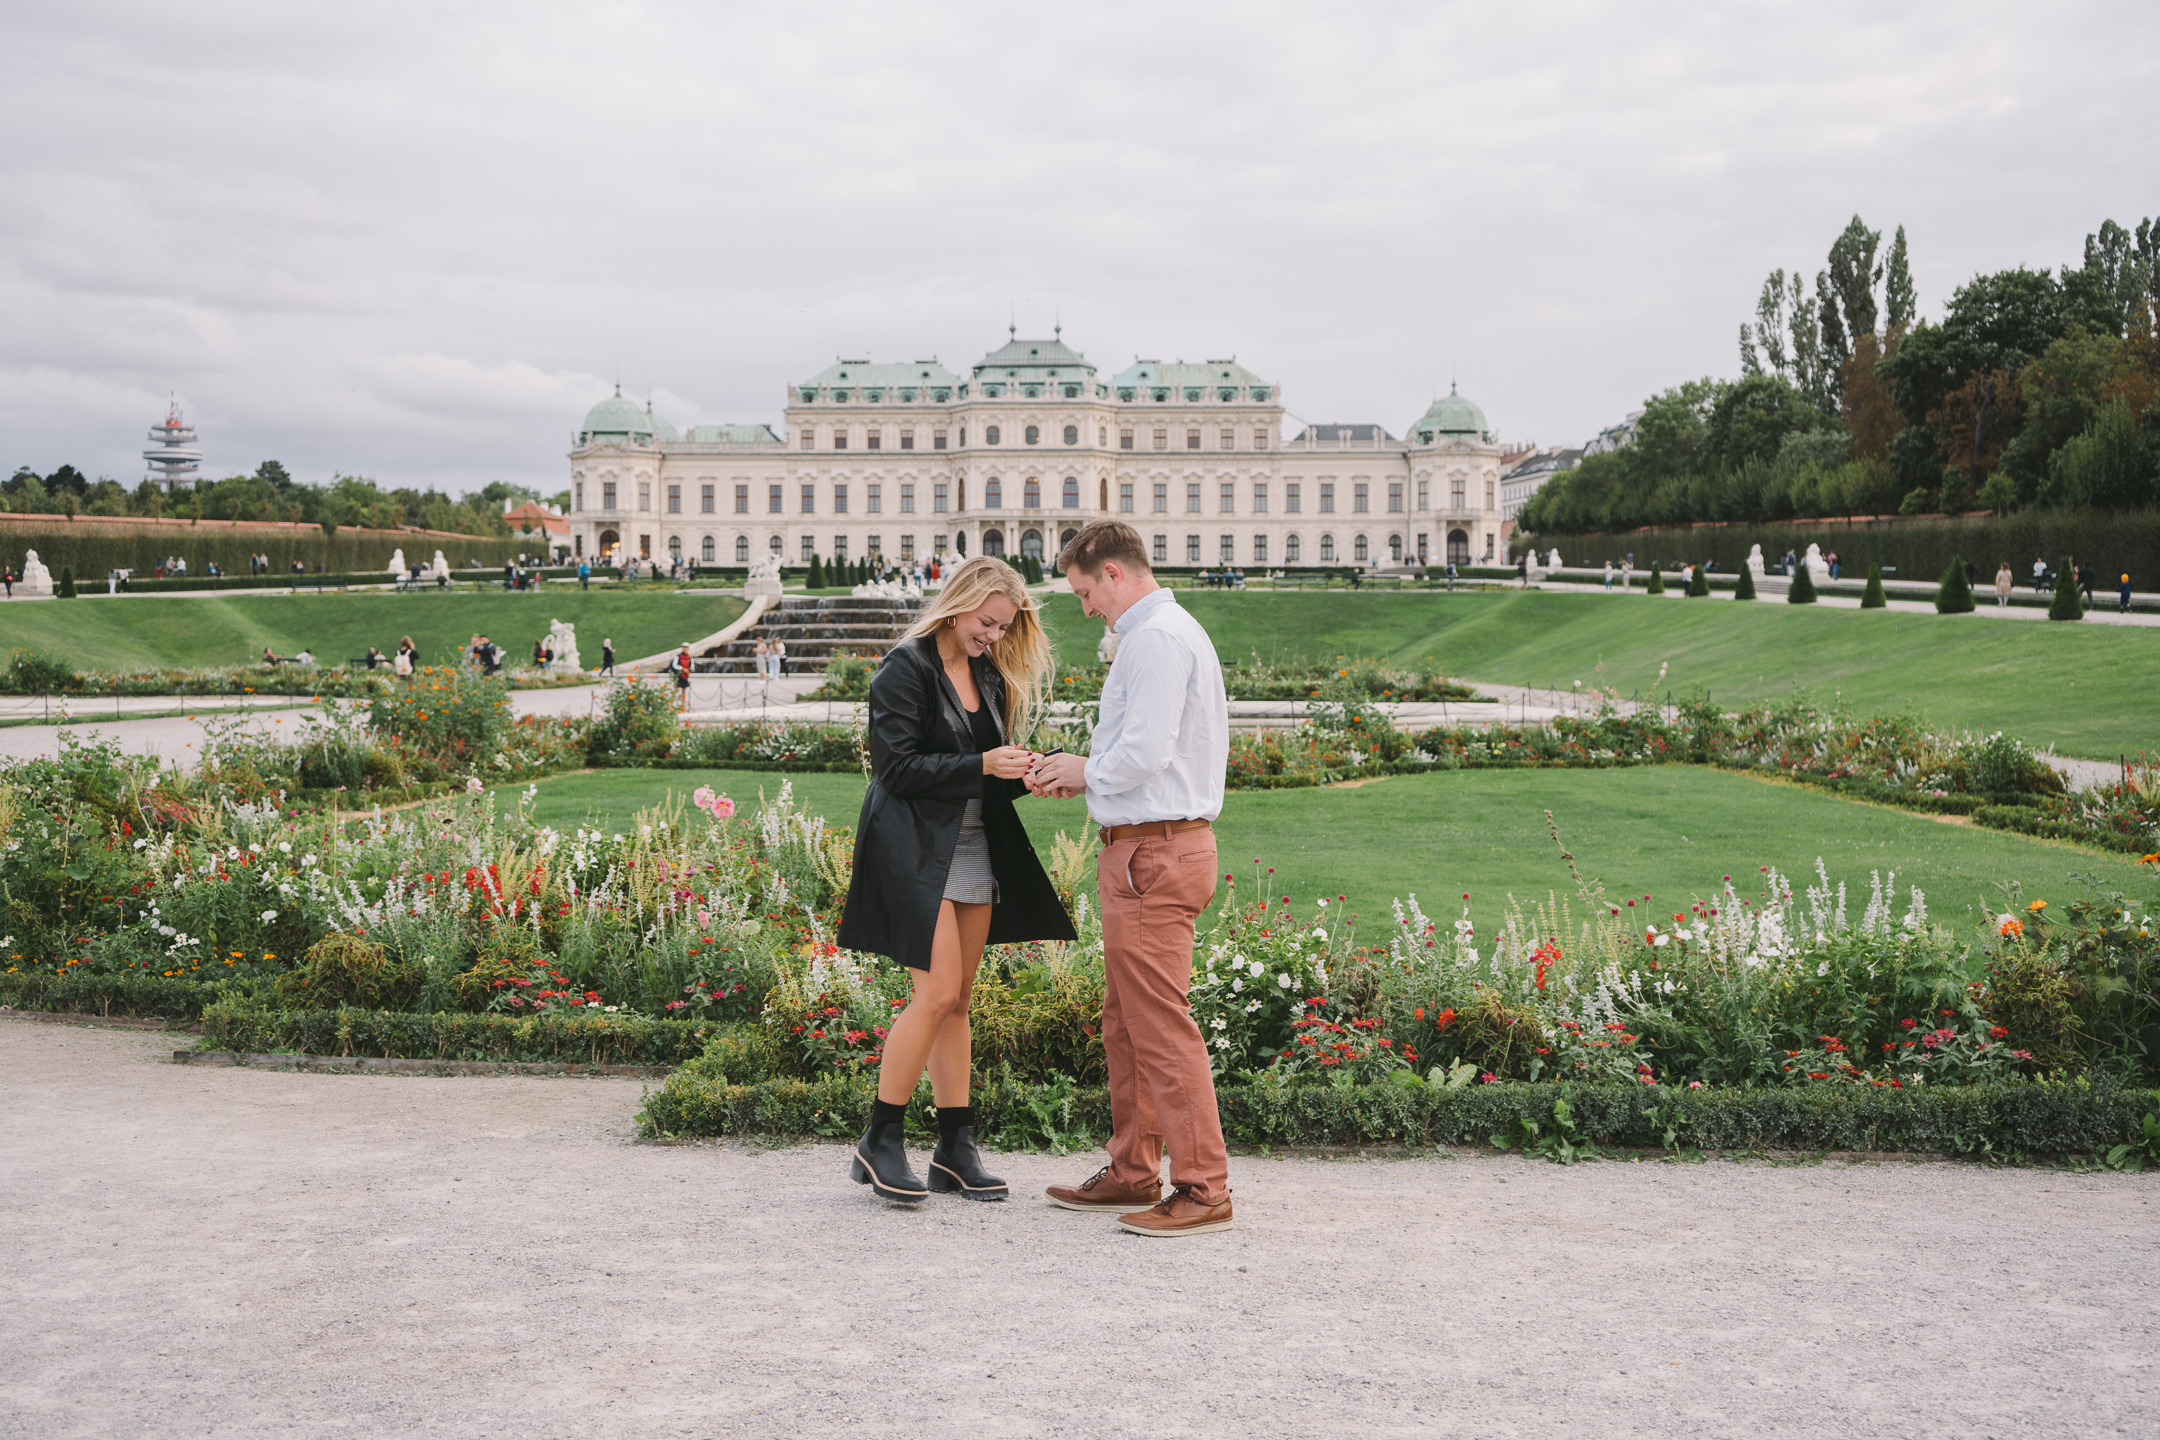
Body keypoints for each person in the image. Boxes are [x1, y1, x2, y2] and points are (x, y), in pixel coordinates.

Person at [836, 555, 1071, 1203]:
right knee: (936, 993)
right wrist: (982, 765)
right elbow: (898, 771)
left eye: (1002, 629)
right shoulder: (903, 669)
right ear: (960, 600)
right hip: (912, 850)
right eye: (987, 623)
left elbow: (978, 772)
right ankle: (880, 1139)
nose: (992, 637)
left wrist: (1024, 774)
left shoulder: (988, 677)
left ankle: (954, 1147)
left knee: (961, 999)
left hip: (972, 848)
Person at [1026, 520, 1234, 1238]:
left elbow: (1145, 751)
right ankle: (1134, 1170)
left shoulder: (1154, 638)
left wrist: (1086, 773)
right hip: (1146, 846)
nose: (1085, 608)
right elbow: (1140, 756)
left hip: (1155, 853)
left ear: (1112, 573)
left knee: (1159, 1028)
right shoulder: (1160, 635)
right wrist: (1082, 778)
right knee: (1128, 1024)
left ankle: (1204, 1188)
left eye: (1085, 592)